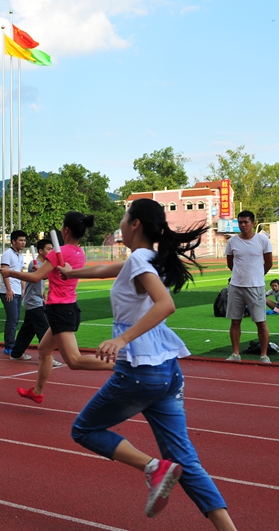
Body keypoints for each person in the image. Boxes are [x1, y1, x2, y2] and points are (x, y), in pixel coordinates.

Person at [65, 198, 236, 529]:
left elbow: (165, 304)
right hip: (168, 372)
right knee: (185, 460)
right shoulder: (147, 259)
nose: (121, 223)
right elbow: (104, 270)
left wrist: (121, 340)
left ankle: (153, 467)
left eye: (124, 217)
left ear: (135, 224)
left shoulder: (140, 260)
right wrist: (71, 273)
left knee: (84, 430)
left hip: (140, 370)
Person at [0, 212, 112, 404]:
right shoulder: (79, 253)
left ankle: (122, 366)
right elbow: (49, 275)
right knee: (44, 350)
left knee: (74, 360)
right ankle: (37, 391)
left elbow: (35, 278)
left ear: (65, 230)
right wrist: (43, 270)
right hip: (67, 308)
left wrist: (10, 272)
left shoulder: (59, 252)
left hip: (61, 309)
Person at [225, 211, 273, 363]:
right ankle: (235, 354)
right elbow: (230, 263)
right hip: (236, 286)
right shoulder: (232, 242)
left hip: (256, 287)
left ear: (253, 223)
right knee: (235, 321)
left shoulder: (262, 241)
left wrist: (257, 275)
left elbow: (269, 263)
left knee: (261, 322)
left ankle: (264, 355)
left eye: (246, 222)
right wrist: (240, 276)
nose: (243, 225)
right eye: (240, 222)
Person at [9, 239, 63, 367]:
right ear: (40, 251)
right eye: (48, 249)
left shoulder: (44, 264)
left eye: (52, 249)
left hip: (37, 300)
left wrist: (44, 297)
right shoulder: (34, 265)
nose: (51, 251)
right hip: (33, 301)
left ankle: (16, 353)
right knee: (44, 330)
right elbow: (42, 276)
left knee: (28, 330)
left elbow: (42, 284)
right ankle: (46, 357)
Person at [0, 230, 27, 358]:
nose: (23, 243)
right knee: (12, 319)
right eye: (21, 240)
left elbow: (20, 272)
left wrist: (24, 288)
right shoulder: (7, 254)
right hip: (8, 291)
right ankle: (9, 345)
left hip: (17, 290)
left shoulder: (20, 255)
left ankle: (12, 343)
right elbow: (4, 272)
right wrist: (9, 289)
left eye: (24, 240)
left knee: (15, 319)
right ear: (13, 241)